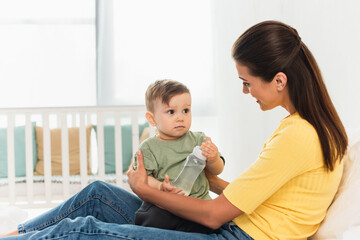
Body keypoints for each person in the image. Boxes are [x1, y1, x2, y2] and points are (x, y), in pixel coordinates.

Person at [0, 20, 348, 240]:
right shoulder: (307, 128)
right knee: (98, 193)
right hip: (237, 223)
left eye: (247, 83)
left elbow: (213, 217)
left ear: (279, 80)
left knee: (81, 230)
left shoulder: (299, 135)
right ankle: (15, 233)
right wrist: (210, 181)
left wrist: (146, 191)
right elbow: (266, 196)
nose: (246, 92)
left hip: (235, 235)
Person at [133, 79, 225, 233]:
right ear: (152, 119)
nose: (180, 117)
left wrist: (214, 158)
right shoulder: (148, 147)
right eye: (171, 112)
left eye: (186, 111)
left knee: (213, 224)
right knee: (152, 217)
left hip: (197, 204)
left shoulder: (198, 139)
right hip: (165, 205)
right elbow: (143, 180)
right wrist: (161, 186)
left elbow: (217, 170)